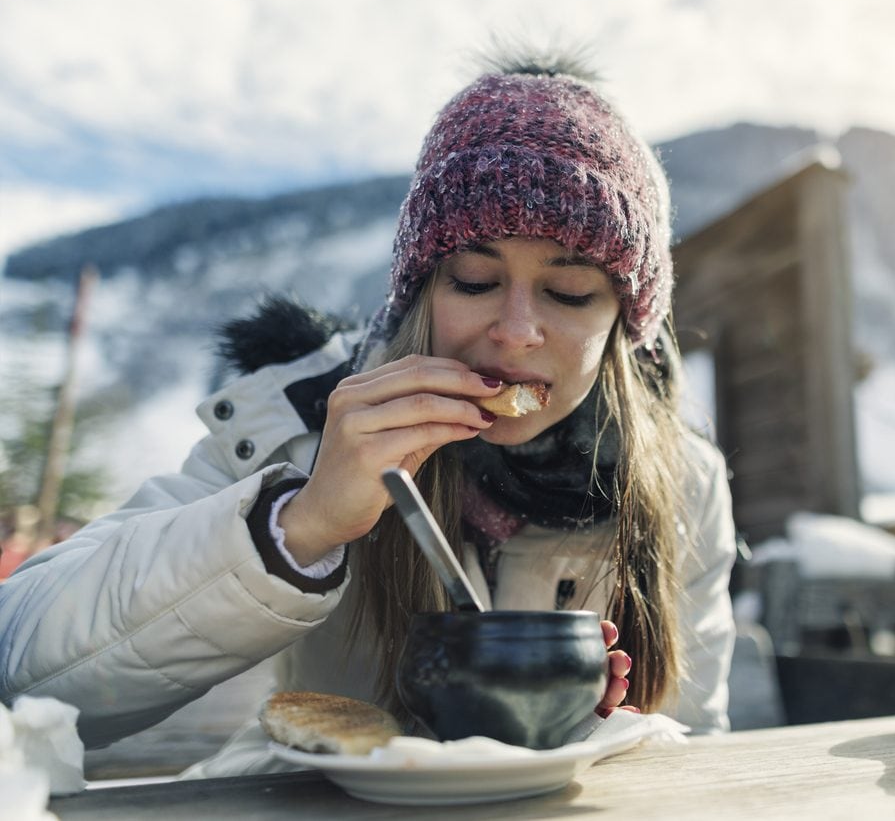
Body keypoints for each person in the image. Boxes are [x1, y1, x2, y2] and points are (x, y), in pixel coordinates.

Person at [0, 49, 738, 776]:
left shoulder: (682, 479)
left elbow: (698, 747)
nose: (515, 330)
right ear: (420, 290)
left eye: (569, 292)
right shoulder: (300, 423)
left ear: (624, 320)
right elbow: (21, 666)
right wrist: (300, 523)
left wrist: (593, 738)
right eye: (475, 280)